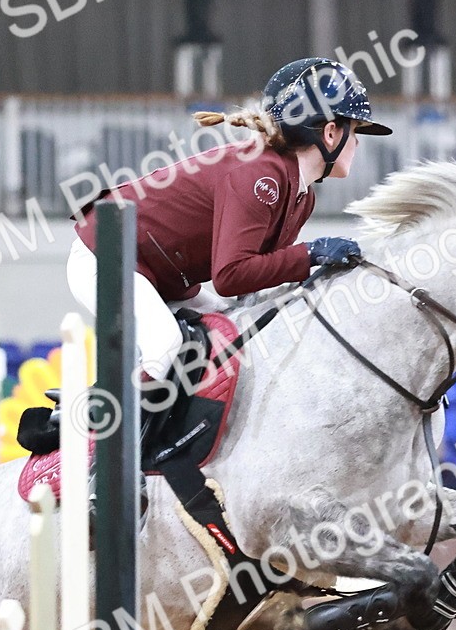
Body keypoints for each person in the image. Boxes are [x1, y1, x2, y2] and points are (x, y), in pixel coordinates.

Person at [67, 56, 392, 401]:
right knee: (165, 349)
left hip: (160, 276)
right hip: (107, 256)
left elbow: (248, 288)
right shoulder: (261, 176)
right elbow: (230, 276)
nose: (356, 143)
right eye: (354, 132)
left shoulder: (300, 195)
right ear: (330, 133)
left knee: (235, 334)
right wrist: (309, 254)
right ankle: (100, 435)